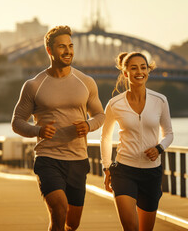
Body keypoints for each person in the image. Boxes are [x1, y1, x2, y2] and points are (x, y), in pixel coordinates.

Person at [11, 25, 105, 231]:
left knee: (72, 222)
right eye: (62, 47)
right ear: (49, 50)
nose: (68, 51)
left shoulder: (86, 82)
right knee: (59, 210)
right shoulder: (34, 85)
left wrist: (88, 125)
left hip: (78, 160)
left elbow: (100, 115)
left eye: (70, 46)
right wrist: (38, 131)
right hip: (48, 159)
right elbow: (17, 121)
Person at [100, 52, 174, 231]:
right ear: (125, 73)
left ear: (148, 71)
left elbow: (169, 134)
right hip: (124, 171)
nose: (139, 72)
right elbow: (105, 136)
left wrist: (159, 148)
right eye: (133, 68)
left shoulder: (160, 101)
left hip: (152, 173)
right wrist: (106, 167)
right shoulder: (114, 104)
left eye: (143, 67)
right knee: (131, 228)